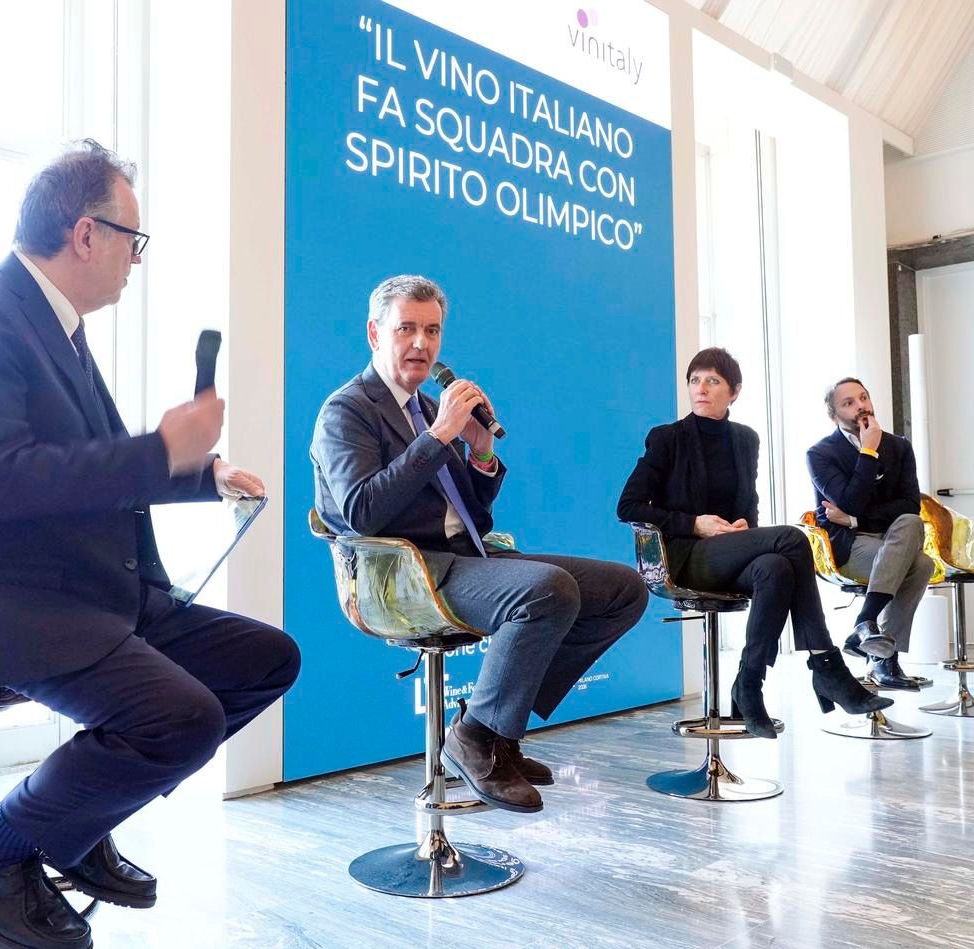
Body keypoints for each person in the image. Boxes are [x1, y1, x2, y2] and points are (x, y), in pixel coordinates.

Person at [0, 140, 300, 949]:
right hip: (7, 600)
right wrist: (163, 448)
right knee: (182, 718)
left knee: (266, 661)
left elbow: (92, 465)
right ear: (86, 234)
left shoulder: (58, 330)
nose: (135, 260)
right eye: (132, 240)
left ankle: (71, 823)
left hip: (92, 589)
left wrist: (202, 474)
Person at [310, 274, 648, 815]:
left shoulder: (428, 409)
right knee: (547, 590)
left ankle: (494, 729)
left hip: (465, 557)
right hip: (404, 574)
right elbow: (362, 513)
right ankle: (477, 736)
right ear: (374, 333)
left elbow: (472, 516)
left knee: (623, 589)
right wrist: (437, 437)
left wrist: (481, 454)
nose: (421, 343)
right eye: (406, 329)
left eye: (432, 330)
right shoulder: (347, 410)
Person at [617, 347, 891, 738]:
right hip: (685, 556)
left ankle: (749, 683)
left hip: (731, 553)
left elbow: (749, 505)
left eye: (713, 381)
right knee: (793, 538)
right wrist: (695, 524)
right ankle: (826, 666)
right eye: (695, 380)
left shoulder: (746, 439)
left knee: (776, 567)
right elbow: (627, 506)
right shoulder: (667, 439)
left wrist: (746, 526)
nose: (701, 388)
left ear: (734, 391)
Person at [806, 377, 935, 689]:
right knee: (921, 565)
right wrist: (868, 451)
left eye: (863, 397)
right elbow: (849, 500)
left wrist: (853, 518)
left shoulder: (900, 447)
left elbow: (910, 505)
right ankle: (883, 660)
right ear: (833, 416)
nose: (861, 406)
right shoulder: (820, 454)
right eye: (848, 403)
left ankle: (864, 623)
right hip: (850, 547)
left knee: (911, 524)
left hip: (893, 538)